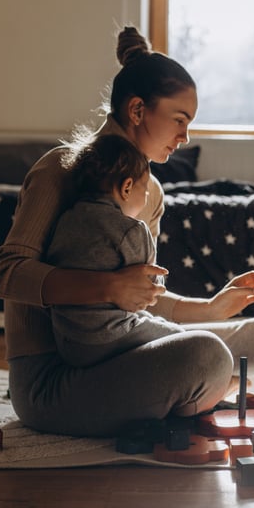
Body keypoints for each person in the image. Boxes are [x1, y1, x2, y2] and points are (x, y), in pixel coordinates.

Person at [0, 25, 254, 437]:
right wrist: (107, 288)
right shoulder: (60, 168)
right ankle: (198, 396)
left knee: (253, 333)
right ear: (137, 110)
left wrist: (210, 308)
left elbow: (141, 298)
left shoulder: (152, 193)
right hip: (51, 383)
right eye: (179, 121)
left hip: (119, 353)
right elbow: (6, 274)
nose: (185, 138)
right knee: (205, 357)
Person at [46, 134, 182, 367]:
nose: (147, 198)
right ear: (127, 187)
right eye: (146, 191)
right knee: (183, 339)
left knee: (147, 321)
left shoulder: (66, 219)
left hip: (68, 342)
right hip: (111, 336)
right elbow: (150, 287)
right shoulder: (131, 229)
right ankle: (207, 393)